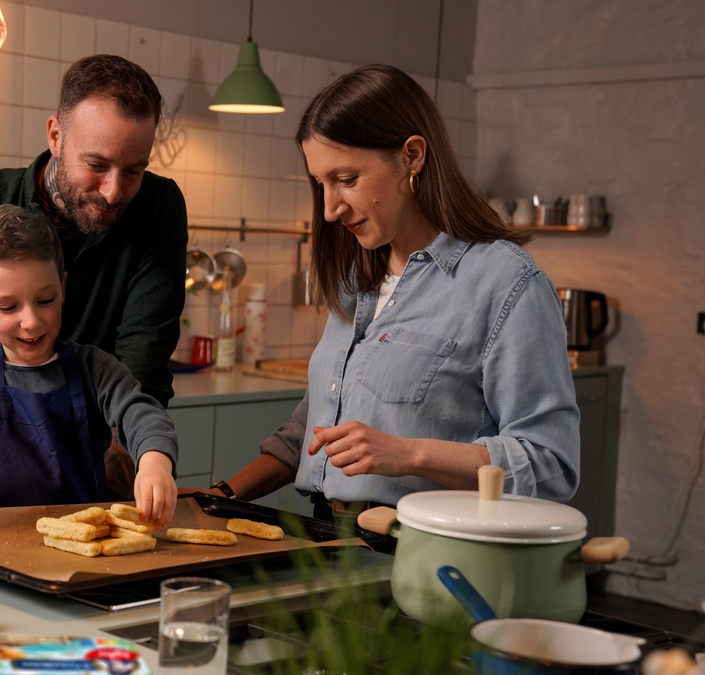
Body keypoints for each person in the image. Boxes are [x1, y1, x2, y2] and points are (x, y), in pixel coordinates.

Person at [200, 64, 580, 519]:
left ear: (412, 156)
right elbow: (314, 430)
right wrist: (220, 495)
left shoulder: (505, 284)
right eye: (320, 184)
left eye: (345, 179)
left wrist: (409, 454)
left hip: (420, 550)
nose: (329, 210)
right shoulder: (354, 278)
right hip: (327, 539)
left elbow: (550, 465)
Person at [0, 54, 187, 412]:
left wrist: (131, 450)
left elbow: (144, 365)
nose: (114, 191)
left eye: (134, 170)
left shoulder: (157, 208)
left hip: (108, 445)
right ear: (55, 136)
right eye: (97, 165)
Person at [0, 205, 178, 527]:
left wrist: (154, 462)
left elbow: (143, 413)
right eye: (9, 306)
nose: (31, 321)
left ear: (63, 288)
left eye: (46, 300)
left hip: (79, 544)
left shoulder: (96, 370)